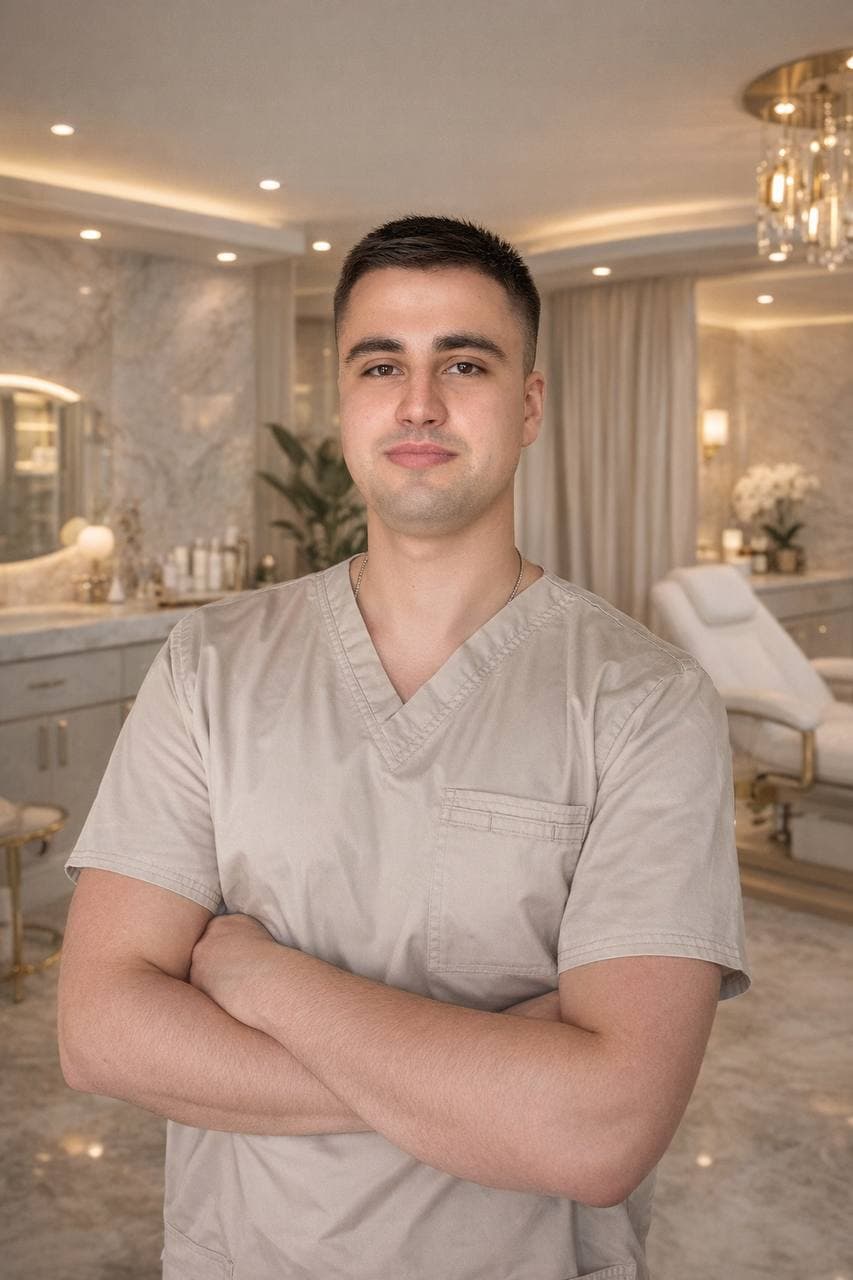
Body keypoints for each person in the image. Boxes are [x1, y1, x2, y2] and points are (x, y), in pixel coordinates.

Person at [57, 214, 751, 1280]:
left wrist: (253, 971)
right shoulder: (212, 661)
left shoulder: (642, 700)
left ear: (528, 406)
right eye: (381, 363)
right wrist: (494, 1081)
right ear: (344, 405)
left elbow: (600, 1134)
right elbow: (100, 1026)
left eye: (463, 362)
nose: (418, 401)